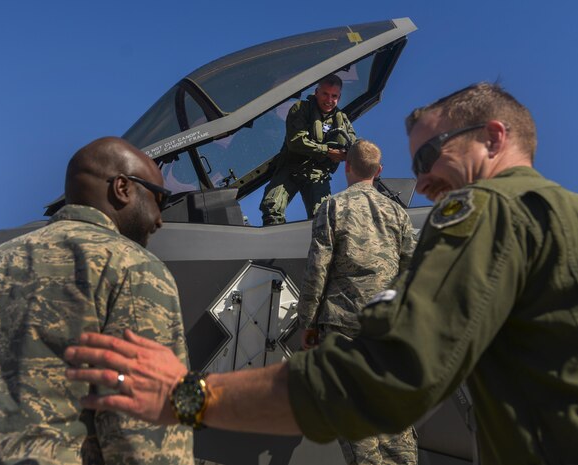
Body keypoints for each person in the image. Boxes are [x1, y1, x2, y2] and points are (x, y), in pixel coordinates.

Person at [64, 83, 578, 465]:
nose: (421, 179)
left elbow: (387, 373)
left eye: (429, 154)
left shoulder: (487, 212)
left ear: (493, 138)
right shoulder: (561, 213)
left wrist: (188, 395)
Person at [0, 137, 193, 465]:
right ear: (123, 188)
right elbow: (146, 438)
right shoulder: (132, 267)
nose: (159, 219)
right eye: (159, 200)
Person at [298, 138, 417, 465]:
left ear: (346, 167)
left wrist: (307, 322)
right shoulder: (398, 214)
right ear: (379, 171)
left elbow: (317, 267)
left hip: (344, 329)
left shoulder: (333, 206)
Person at [259, 74, 357, 225]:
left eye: (334, 96)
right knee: (271, 207)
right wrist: (328, 151)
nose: (329, 100)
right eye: (325, 94)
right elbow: (296, 141)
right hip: (291, 168)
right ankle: (276, 244)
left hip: (318, 174)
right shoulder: (301, 109)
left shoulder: (342, 121)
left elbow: (354, 145)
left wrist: (350, 154)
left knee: (323, 218)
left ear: (339, 97)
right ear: (317, 92)